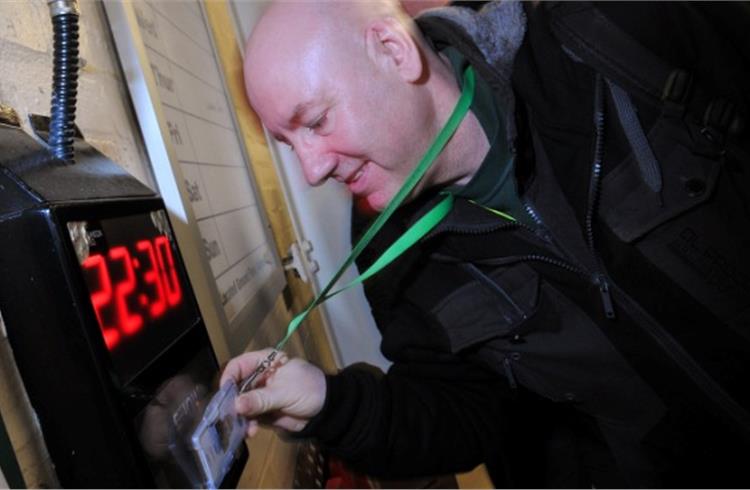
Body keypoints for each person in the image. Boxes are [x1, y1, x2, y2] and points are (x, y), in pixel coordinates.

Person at [221, 1, 750, 487]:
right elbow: (461, 414)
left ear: (394, 51)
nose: (312, 170)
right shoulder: (394, 261)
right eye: (290, 144)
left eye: (315, 121)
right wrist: (327, 405)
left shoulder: (607, 33)